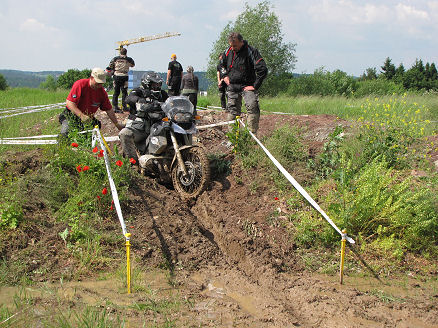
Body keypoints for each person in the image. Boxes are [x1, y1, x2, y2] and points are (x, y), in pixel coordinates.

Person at [219, 32, 268, 133]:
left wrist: (255, 86)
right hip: (232, 86)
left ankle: (251, 136)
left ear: (241, 42)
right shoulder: (228, 51)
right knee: (232, 111)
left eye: (235, 46)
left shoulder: (251, 51)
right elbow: (220, 65)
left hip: (248, 85)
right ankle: (233, 138)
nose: (233, 48)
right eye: (231, 45)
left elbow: (263, 69)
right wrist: (224, 76)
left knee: (253, 108)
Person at [119, 72, 168, 163]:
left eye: (158, 84)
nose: (157, 86)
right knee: (124, 133)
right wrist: (138, 100)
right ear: (147, 84)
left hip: (158, 128)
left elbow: (171, 101)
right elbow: (129, 98)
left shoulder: (163, 94)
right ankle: (133, 163)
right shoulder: (138, 91)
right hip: (139, 129)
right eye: (154, 84)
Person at [59, 68, 124, 137]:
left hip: (88, 118)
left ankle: (89, 146)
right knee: (65, 132)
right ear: (92, 78)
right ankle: (61, 145)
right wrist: (81, 116)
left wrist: (117, 124)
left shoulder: (102, 92)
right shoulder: (81, 84)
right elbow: (69, 103)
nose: (99, 86)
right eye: (97, 83)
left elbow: (109, 110)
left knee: (96, 126)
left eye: (101, 83)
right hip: (71, 115)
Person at [106, 47, 135, 112]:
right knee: (124, 92)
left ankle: (115, 107)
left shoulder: (115, 59)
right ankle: (124, 106)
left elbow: (110, 66)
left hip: (117, 76)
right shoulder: (129, 59)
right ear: (126, 53)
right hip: (125, 76)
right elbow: (133, 65)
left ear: (120, 52)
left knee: (116, 92)